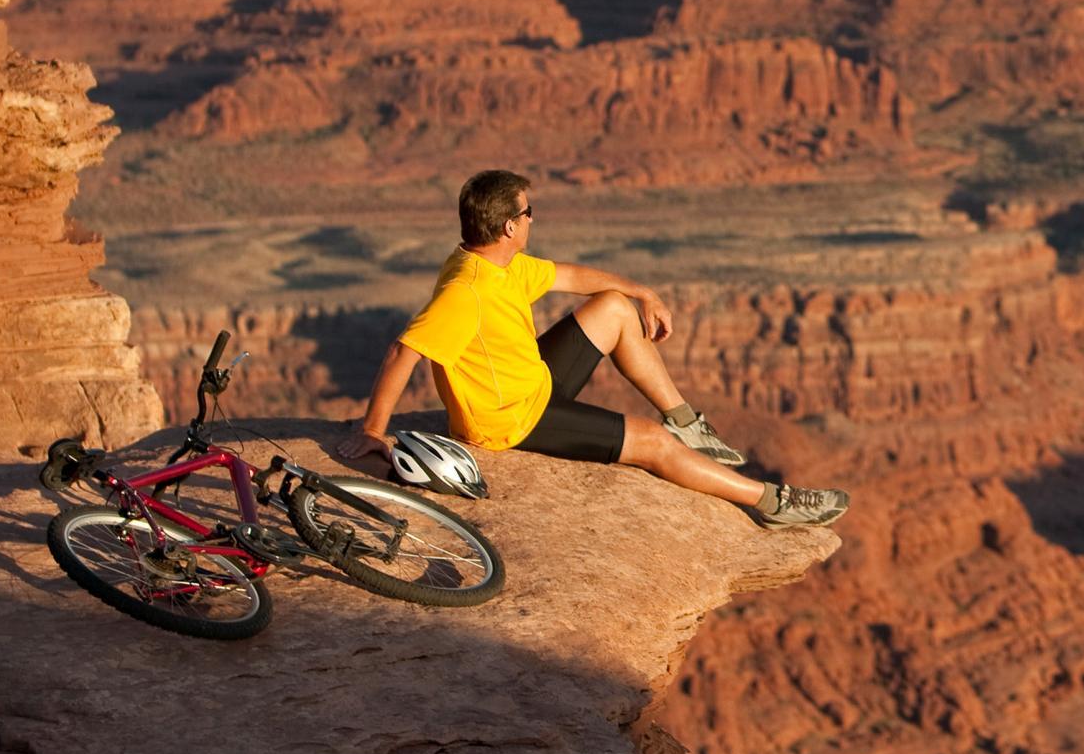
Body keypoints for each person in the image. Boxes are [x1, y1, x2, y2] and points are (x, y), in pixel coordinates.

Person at [332, 169, 849, 528]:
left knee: (613, 307)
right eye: (529, 212)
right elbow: (405, 352)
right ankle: (770, 501)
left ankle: (688, 421)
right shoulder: (465, 291)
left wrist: (642, 291)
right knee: (650, 445)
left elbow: (571, 276)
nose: (534, 219)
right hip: (509, 421)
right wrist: (374, 431)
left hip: (532, 381)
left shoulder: (499, 262)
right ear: (510, 226)